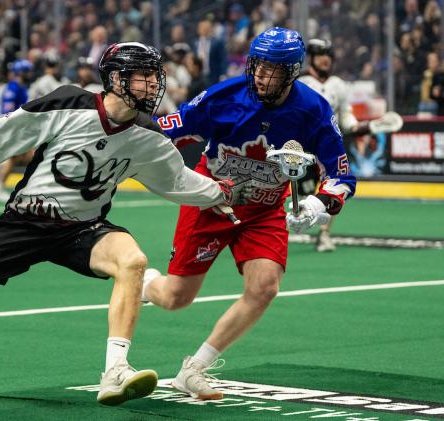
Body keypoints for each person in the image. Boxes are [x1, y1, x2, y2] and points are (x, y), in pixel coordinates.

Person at [0, 42, 247, 406]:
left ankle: (115, 371)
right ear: (114, 79)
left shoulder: (148, 136)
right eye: (142, 76)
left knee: (134, 262)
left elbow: (176, 180)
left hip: (83, 229)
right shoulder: (67, 104)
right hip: (24, 222)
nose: (153, 85)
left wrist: (219, 192)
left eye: (154, 77)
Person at [143, 28, 356, 400]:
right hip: (212, 201)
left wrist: (318, 204)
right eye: (256, 64)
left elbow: (341, 175)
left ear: (291, 72)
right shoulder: (223, 96)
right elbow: (169, 129)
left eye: (271, 69)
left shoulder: (314, 109)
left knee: (264, 288)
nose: (259, 74)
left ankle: (194, 369)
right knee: (176, 298)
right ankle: (145, 284)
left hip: (264, 210)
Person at [298, 39, 370, 252]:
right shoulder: (300, 82)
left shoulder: (339, 84)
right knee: (303, 195)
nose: (325, 59)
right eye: (321, 55)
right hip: (301, 147)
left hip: (328, 144)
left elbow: (345, 116)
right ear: (312, 58)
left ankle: (324, 235)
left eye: (329, 56)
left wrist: (357, 126)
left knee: (333, 186)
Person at [0, 59, 35, 202]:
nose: (30, 74)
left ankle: (0, 184)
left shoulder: (20, 87)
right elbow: (7, 111)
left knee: (29, 157)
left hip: (19, 128)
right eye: (27, 71)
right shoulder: (13, 88)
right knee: (17, 158)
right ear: (21, 72)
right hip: (12, 128)